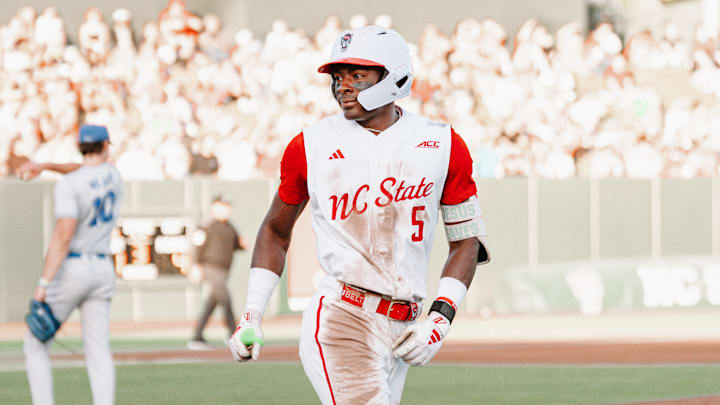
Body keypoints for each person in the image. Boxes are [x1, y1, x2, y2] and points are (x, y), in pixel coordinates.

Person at [227, 25, 490, 405]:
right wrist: (252, 313)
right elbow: (275, 230)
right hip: (342, 314)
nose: (343, 86)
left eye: (357, 76)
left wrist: (438, 320)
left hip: (404, 324)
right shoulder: (311, 143)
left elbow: (467, 240)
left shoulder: (443, 142)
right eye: (338, 77)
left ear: (394, 75)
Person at [23, 124, 123, 405]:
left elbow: (63, 237)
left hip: (73, 268)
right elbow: (85, 172)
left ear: (80, 147)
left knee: (35, 343)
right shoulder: (114, 175)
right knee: (98, 351)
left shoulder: (69, 185)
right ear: (104, 146)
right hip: (103, 268)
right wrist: (47, 165)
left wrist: (43, 283)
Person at [187, 194, 247, 350]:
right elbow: (196, 247)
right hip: (211, 268)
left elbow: (236, 244)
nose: (226, 210)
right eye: (223, 206)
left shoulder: (230, 227)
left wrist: (242, 245)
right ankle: (234, 335)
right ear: (214, 207)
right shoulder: (207, 225)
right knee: (226, 300)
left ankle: (197, 338)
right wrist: (196, 266)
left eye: (228, 206)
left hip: (224, 270)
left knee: (211, 304)